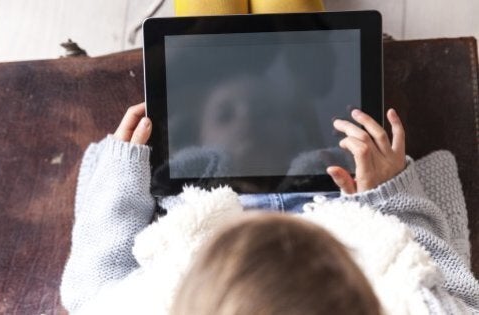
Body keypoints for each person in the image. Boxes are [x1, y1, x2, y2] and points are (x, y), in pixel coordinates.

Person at [60, 103, 479, 314]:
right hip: (341, 195)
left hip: (201, 202)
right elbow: (435, 290)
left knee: (208, 23)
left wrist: (121, 176)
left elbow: (92, 293)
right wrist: (389, 197)